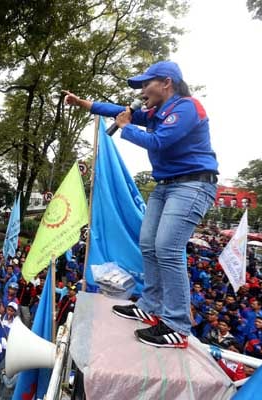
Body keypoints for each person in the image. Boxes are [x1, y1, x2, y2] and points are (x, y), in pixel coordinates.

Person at [64, 60, 218, 348]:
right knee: (147, 243)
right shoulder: (157, 111)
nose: (142, 91)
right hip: (166, 186)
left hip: (193, 183)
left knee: (168, 248)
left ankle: (176, 325)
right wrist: (83, 103)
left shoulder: (187, 107)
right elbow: (117, 110)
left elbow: (159, 142)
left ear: (166, 83)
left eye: (146, 84)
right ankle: (150, 305)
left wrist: (125, 127)